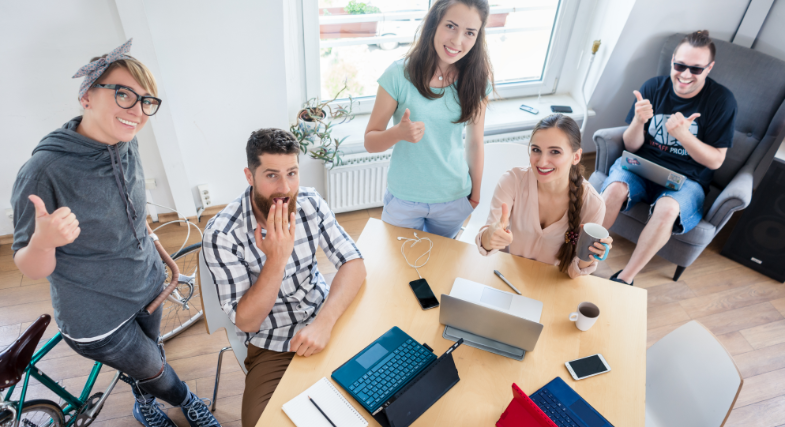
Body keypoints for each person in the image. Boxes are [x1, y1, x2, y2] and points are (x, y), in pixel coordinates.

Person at [10, 39, 220, 427]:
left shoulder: (127, 142)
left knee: (148, 356)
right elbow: (29, 264)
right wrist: (43, 241)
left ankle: (145, 404)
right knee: (155, 367)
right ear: (87, 96)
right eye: (124, 95)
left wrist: (147, 238)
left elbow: (128, 207)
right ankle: (187, 400)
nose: (137, 111)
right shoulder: (44, 171)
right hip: (98, 318)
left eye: (146, 102)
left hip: (148, 286)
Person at [202, 128, 366, 427]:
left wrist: (324, 323)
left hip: (326, 318)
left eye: (292, 173)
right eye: (271, 175)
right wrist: (276, 260)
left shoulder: (310, 203)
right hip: (272, 342)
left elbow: (353, 262)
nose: (285, 187)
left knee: (377, 396)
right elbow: (247, 322)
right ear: (250, 176)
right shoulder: (222, 234)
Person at [600, 30, 737, 286]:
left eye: (696, 69)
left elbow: (716, 161)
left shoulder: (721, 101)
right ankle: (583, 256)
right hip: (641, 167)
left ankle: (625, 278)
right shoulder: (653, 86)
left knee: (667, 209)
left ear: (709, 68)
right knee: (614, 189)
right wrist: (639, 122)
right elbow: (631, 144)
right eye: (680, 65)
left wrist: (684, 137)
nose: (685, 75)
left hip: (687, 180)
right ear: (673, 59)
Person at [364, 0, 494, 238]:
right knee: (398, 267)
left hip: (454, 197)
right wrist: (398, 133)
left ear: (478, 37)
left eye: (469, 33)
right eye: (451, 26)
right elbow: (370, 143)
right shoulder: (397, 76)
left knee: (440, 267)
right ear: (434, 23)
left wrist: (475, 193)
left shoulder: (476, 81)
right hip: (405, 198)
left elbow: (475, 143)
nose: (457, 41)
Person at [476, 114, 612, 278]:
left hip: (550, 282)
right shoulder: (511, 181)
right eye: (536, 150)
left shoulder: (593, 204)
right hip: (505, 274)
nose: (541, 162)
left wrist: (590, 255)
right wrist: (489, 237)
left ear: (576, 156)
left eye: (555, 152)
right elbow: (486, 243)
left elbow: (573, 273)